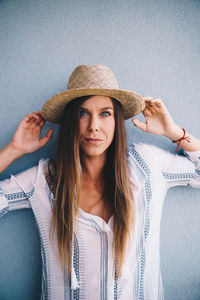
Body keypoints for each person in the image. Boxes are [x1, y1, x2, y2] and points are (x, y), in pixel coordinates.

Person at [0, 64, 200, 300]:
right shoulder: (44, 180)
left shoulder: (147, 165)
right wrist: (14, 150)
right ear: (71, 122)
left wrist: (174, 131)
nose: (94, 125)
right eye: (83, 113)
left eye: (105, 113)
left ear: (117, 121)